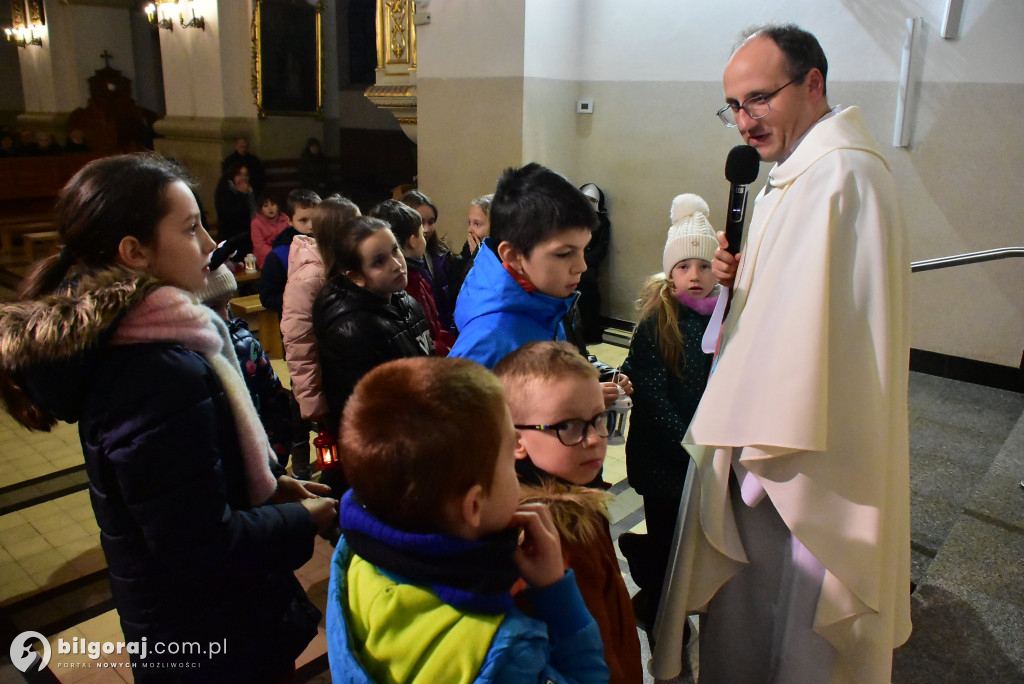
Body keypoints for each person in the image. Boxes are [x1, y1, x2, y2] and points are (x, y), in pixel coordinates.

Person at [0, 153, 337, 681]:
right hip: (207, 636)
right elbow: (199, 545)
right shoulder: (153, 372)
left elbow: (188, 490)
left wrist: (272, 489)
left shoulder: (148, 344)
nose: (208, 242)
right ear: (134, 252)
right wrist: (304, 519)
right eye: (190, 228)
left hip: (196, 621)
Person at [649, 24, 911, 684]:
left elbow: (832, 331)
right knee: (753, 611)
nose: (744, 120)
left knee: (800, 623)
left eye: (758, 99)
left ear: (813, 84)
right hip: (763, 431)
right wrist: (744, 279)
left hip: (804, 450)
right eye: (733, 106)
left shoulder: (842, 175)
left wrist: (762, 444)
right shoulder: (790, 173)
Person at [325, 356, 610, 683]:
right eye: (507, 461)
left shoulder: (353, 558)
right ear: (474, 505)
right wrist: (556, 593)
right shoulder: (507, 653)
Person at [495, 341, 643, 684]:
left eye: (598, 419)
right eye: (569, 426)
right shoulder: (547, 540)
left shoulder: (579, 501)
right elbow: (593, 652)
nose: (594, 439)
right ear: (517, 440)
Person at [449, 163, 632, 408]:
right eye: (564, 253)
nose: (582, 266)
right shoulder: (487, 343)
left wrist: (592, 380)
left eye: (583, 249)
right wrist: (579, 401)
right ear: (513, 256)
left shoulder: (545, 298)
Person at [616, 194, 718, 632]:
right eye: (683, 267)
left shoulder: (725, 317)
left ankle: (672, 594)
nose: (694, 276)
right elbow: (653, 398)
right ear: (670, 272)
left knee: (690, 539)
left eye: (704, 265)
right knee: (664, 541)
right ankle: (657, 608)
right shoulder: (659, 321)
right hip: (665, 459)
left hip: (702, 457)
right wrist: (691, 450)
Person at [312, 216, 433, 493]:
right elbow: (375, 413)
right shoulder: (351, 329)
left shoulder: (403, 299)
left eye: (395, 250)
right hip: (387, 457)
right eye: (379, 262)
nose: (396, 263)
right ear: (356, 277)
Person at [198, 264, 294, 464]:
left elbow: (275, 402)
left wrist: (275, 458)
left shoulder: (246, 344)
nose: (225, 318)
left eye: (226, 306)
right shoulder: (191, 361)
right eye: (212, 308)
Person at [281, 196, 361, 426]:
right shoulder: (310, 276)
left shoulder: (348, 265)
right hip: (329, 383)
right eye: (355, 225)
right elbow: (299, 340)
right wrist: (311, 401)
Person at [369, 199, 455, 355]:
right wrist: (445, 349)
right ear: (413, 241)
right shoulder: (402, 284)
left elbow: (434, 327)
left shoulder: (418, 276)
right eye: (422, 233)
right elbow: (416, 339)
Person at [400, 189, 458, 334]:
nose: (426, 229)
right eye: (420, 222)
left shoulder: (441, 253)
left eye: (430, 222)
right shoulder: (400, 262)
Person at [260, 189, 321, 316]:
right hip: (297, 326)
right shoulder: (279, 255)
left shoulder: (329, 245)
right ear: (290, 221)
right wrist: (298, 300)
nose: (311, 226)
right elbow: (267, 297)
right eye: (303, 220)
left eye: (316, 219)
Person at [577, 183, 611, 344]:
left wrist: (583, 261)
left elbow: (601, 248)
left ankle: (590, 331)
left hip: (589, 265)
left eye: (591, 199)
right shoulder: (571, 220)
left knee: (588, 285)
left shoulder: (603, 222)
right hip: (570, 262)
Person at [450, 193, 493, 297]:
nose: (470, 229)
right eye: (469, 223)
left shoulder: (503, 257)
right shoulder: (467, 250)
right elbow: (456, 293)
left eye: (477, 224)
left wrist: (479, 258)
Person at [214, 161, 256, 258]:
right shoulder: (224, 190)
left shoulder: (250, 191)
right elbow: (231, 216)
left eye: (246, 175)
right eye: (239, 174)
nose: (243, 178)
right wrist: (241, 194)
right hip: (230, 236)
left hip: (247, 235)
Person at [250, 191, 289, 269]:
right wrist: (277, 253)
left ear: (278, 206)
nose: (270, 208)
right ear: (261, 209)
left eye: (273, 205)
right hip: (265, 258)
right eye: (266, 206)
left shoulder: (286, 219)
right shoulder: (256, 223)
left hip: (286, 255)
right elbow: (259, 246)